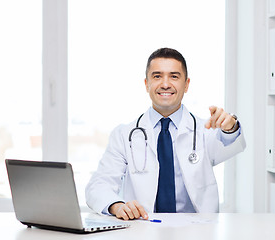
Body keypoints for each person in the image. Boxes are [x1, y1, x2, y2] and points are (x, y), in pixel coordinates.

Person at [85, 48, 246, 220]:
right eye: (157, 76)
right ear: (146, 84)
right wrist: (117, 206)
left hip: (196, 230)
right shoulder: (124, 135)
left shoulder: (204, 130)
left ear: (186, 85)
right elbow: (98, 186)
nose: (165, 84)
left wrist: (230, 127)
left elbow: (228, 143)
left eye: (174, 76)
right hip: (142, 229)